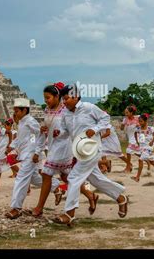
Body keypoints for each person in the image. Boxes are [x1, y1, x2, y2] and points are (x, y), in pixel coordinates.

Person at [51, 84, 128, 227]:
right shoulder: (66, 114)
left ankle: (69, 213)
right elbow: (64, 131)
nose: (65, 102)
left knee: (73, 177)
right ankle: (121, 198)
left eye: (67, 98)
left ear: (76, 97)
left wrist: (95, 128)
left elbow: (105, 118)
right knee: (96, 180)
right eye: (63, 99)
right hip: (79, 151)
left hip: (92, 149)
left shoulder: (89, 107)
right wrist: (58, 133)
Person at [23, 83, 95, 218]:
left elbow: (73, 129)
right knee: (67, 177)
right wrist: (39, 145)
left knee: (46, 174)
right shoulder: (47, 110)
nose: (46, 101)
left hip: (63, 147)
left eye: (48, 98)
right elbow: (45, 130)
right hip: (52, 147)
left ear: (57, 97)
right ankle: (90, 195)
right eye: (44, 98)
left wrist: (60, 132)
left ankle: (39, 208)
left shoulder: (66, 111)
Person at [5, 98, 62, 220]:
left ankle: (16, 208)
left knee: (20, 178)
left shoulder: (30, 121)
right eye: (14, 111)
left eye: (17, 111)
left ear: (24, 110)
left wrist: (37, 152)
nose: (15, 114)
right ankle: (56, 187)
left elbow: (41, 135)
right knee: (34, 178)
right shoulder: (21, 122)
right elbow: (21, 139)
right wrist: (11, 147)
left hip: (31, 155)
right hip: (26, 154)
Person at [131, 113, 154, 182]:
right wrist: (137, 141)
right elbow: (135, 133)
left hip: (149, 147)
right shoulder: (138, 128)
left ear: (145, 121)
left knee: (140, 160)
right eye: (139, 121)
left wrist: (152, 141)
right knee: (152, 162)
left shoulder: (150, 128)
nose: (140, 122)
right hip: (143, 147)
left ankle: (137, 177)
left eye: (141, 121)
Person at [120, 105, 140, 173]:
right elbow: (122, 129)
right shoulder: (125, 119)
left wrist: (138, 125)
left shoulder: (137, 118)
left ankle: (128, 167)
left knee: (128, 150)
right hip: (130, 137)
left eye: (127, 112)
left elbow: (143, 124)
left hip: (136, 137)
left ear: (131, 113)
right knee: (137, 152)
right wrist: (122, 125)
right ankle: (148, 160)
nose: (125, 114)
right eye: (125, 112)